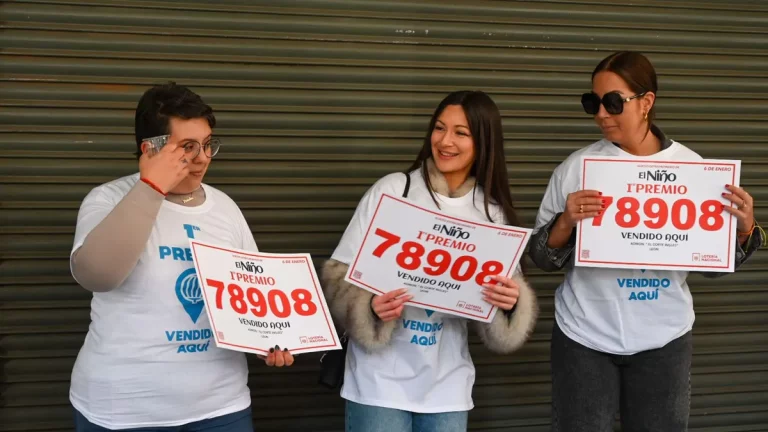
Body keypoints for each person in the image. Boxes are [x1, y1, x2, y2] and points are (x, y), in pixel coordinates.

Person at [528, 51, 764, 432]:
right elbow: (540, 258)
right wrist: (566, 221)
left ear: (647, 102)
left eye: (613, 102)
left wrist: (745, 228)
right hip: (584, 337)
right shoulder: (577, 169)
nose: (601, 114)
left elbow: (715, 269)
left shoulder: (694, 169)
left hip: (664, 340)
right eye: (593, 103)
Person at [68, 82, 294, 432]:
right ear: (150, 149)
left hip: (222, 408)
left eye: (207, 145)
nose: (203, 158)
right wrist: (150, 188)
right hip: (123, 411)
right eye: (187, 147)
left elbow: (252, 293)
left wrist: (267, 339)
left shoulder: (225, 208)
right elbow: (97, 275)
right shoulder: (108, 199)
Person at [320, 90, 539, 432]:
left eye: (460, 133)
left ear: (483, 141)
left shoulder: (491, 212)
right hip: (379, 383)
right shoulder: (394, 191)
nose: (445, 141)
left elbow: (499, 320)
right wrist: (369, 308)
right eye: (439, 128)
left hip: (448, 387)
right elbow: (338, 275)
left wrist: (510, 304)